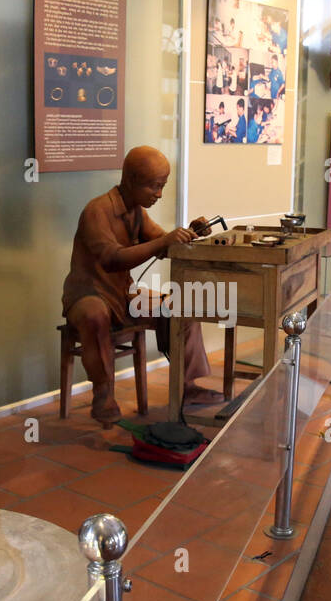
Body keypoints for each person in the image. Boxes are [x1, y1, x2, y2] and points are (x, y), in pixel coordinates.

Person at [62, 146, 225, 426]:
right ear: (132, 180)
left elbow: (162, 243)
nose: (159, 194)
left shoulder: (135, 211)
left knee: (179, 306)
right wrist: (163, 242)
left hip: (122, 295)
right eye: (154, 186)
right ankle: (103, 393)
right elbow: (112, 259)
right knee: (93, 315)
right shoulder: (97, 211)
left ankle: (187, 385)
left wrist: (190, 232)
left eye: (162, 186)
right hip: (88, 294)